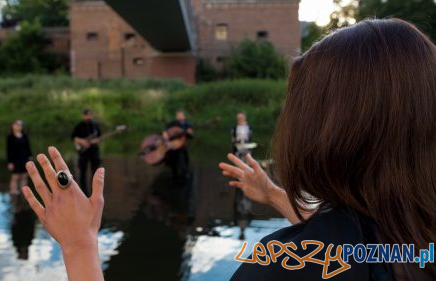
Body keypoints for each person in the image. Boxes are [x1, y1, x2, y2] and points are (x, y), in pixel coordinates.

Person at [22, 19, 435, 281]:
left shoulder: (280, 269)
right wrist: (274, 195)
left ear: (322, 132)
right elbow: (361, 247)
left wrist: (78, 247)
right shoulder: (416, 239)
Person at [72, 109, 101, 196]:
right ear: (83, 115)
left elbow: (99, 137)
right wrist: (82, 142)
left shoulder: (95, 126)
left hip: (94, 152)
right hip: (83, 153)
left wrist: (96, 141)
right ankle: (83, 193)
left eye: (90, 115)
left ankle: (95, 192)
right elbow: (74, 137)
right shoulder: (79, 126)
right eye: (86, 115)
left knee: (95, 171)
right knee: (82, 172)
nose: (88, 117)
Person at [163, 111, 194, 183]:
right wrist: (165, 134)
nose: (179, 117)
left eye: (181, 115)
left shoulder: (187, 125)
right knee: (172, 162)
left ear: (184, 116)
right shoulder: (173, 123)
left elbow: (191, 135)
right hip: (172, 147)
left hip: (182, 147)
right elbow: (165, 130)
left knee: (183, 162)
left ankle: (186, 174)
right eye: (178, 115)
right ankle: (174, 175)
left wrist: (189, 132)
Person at [6, 119, 32, 195]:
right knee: (15, 176)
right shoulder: (10, 137)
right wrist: (9, 162)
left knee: (24, 176)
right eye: (17, 125)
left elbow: (28, 147)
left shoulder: (24, 135)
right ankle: (13, 190)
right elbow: (8, 150)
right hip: (15, 159)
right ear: (13, 126)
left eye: (20, 125)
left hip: (25, 158)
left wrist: (30, 156)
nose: (19, 127)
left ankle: (24, 191)